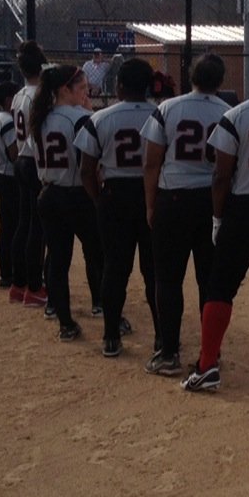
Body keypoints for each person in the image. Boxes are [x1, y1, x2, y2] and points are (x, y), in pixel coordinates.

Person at [178, 50, 249, 393]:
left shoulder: (235, 115)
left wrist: (217, 218)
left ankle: (207, 365)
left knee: (220, 286)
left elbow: (220, 175)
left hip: (243, 207)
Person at [141, 54, 232, 376]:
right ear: (220, 81)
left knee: (167, 279)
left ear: (191, 76)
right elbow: (228, 166)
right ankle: (211, 350)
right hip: (210, 201)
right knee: (209, 280)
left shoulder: (167, 108)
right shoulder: (227, 112)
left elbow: (152, 162)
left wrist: (151, 205)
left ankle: (168, 352)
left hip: (173, 198)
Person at [75, 58, 159, 358]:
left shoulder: (101, 118)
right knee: (155, 272)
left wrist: (99, 199)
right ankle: (162, 337)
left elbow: (87, 169)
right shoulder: (161, 114)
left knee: (114, 268)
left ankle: (111, 336)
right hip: (152, 195)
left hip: (115, 195)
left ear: (119, 85)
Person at [30, 65, 105, 341]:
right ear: (65, 90)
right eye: (82, 88)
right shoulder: (81, 118)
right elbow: (91, 164)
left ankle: (65, 322)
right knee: (100, 255)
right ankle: (109, 315)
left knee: (58, 260)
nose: (87, 92)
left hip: (49, 193)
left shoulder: (40, 117)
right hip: (77, 194)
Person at [9, 41, 50, 309]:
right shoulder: (42, 95)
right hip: (35, 160)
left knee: (23, 223)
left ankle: (19, 283)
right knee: (37, 227)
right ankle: (35, 287)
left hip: (21, 158)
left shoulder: (18, 94)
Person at [0, 82, 22, 290]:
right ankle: (12, 272)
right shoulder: (9, 121)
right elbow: (14, 154)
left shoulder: (0, 119)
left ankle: (6, 272)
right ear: (10, 100)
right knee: (15, 226)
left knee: (8, 226)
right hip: (8, 177)